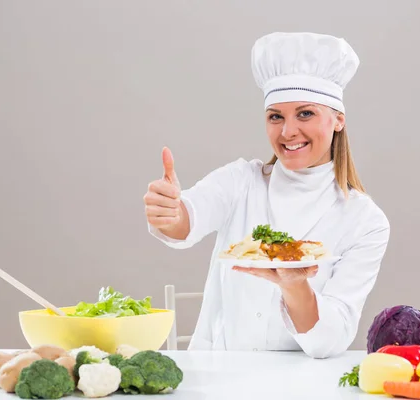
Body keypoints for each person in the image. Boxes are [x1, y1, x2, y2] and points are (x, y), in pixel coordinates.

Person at [143, 32, 390, 359]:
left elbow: (328, 341)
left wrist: (293, 285)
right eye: (276, 116)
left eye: (305, 114)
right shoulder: (241, 180)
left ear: (338, 119)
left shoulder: (366, 222)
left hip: (302, 385)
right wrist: (171, 213)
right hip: (218, 376)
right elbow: (188, 218)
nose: (288, 132)